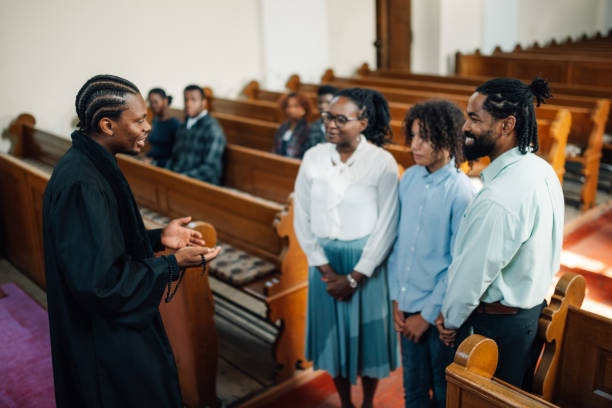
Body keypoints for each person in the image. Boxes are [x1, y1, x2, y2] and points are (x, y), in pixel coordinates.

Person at [43, 74, 222, 408]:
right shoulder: (82, 183)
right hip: (106, 346)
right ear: (108, 125)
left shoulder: (93, 163)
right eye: (139, 120)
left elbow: (104, 241)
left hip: (111, 333)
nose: (148, 127)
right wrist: (172, 264)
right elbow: (101, 284)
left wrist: (157, 237)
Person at [436, 77, 564, 388]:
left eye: (474, 119)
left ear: (506, 125)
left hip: (493, 330)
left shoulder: (499, 198)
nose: (465, 127)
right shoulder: (539, 169)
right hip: (526, 316)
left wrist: (449, 321)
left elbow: (471, 275)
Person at [294, 87, 399, 408]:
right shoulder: (314, 157)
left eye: (341, 119)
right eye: (328, 117)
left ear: (363, 122)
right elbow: (302, 215)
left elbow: (387, 225)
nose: (330, 125)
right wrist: (325, 269)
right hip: (325, 264)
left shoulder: (381, 162)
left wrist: (355, 276)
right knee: (333, 341)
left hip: (366, 263)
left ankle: (367, 402)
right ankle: (346, 403)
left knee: (368, 341)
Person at [388, 100, 474, 408]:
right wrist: (397, 299)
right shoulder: (410, 178)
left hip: (438, 315)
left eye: (424, 137)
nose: (414, 145)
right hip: (406, 306)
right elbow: (399, 244)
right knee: (412, 389)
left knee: (441, 390)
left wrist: (426, 316)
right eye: (412, 136)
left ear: (448, 137)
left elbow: (457, 262)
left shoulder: (461, 191)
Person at [165, 84, 226, 184]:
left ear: (203, 102)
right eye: (186, 100)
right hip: (179, 178)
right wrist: (165, 172)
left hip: (200, 184)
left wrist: (182, 178)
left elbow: (210, 169)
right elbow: (174, 156)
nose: (188, 104)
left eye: (193, 100)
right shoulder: (183, 125)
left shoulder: (212, 128)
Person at [145, 88, 180, 167]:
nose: (153, 105)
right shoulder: (155, 121)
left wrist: (155, 163)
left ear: (165, 101)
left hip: (163, 167)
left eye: (156, 102)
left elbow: (176, 156)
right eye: (151, 102)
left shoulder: (174, 124)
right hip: (150, 162)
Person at [273, 92, 311, 158]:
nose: (291, 110)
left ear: (303, 109)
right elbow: (276, 149)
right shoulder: (283, 126)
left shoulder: (307, 129)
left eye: (295, 106)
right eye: (288, 106)